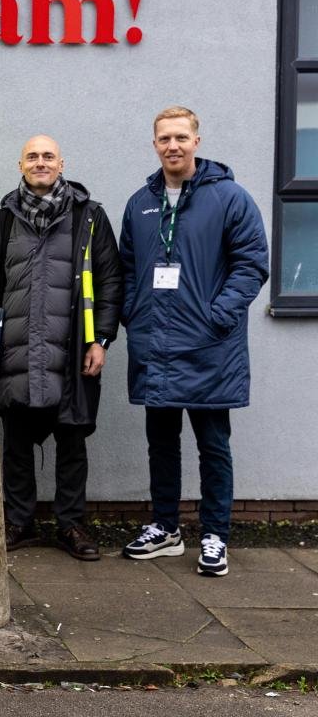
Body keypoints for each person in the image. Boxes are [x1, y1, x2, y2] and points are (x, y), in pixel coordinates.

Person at [119, 107, 268, 577]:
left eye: (181, 137)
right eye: (164, 139)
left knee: (213, 444)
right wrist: (132, 313)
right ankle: (165, 528)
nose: (173, 146)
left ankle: (214, 535)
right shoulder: (140, 202)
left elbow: (252, 264)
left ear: (197, 141)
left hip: (209, 347)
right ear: (154, 144)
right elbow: (126, 269)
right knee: (160, 443)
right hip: (156, 344)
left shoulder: (230, 198)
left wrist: (218, 315)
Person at [0, 135, 122, 560]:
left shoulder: (89, 217)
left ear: (61, 163)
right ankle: (19, 522)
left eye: (47, 156)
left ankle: (72, 525)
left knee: (71, 443)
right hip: (15, 351)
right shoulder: (2, 221)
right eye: (32, 156)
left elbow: (111, 282)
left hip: (72, 354)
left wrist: (101, 339)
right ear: (20, 164)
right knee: (16, 444)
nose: (40, 162)